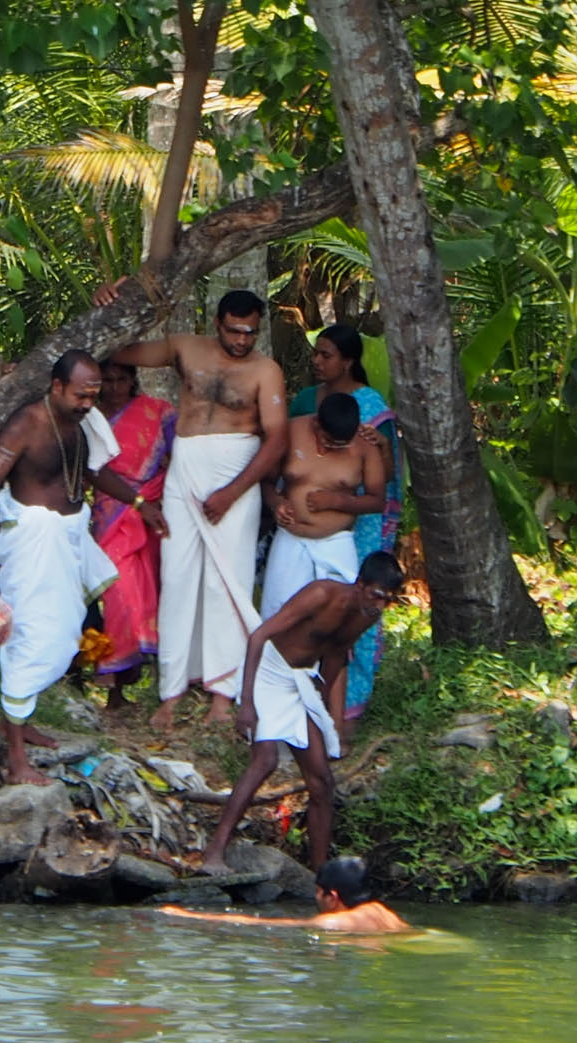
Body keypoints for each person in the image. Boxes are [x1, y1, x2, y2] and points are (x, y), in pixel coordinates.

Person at [0, 350, 168, 785]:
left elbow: (92, 474)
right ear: (57, 387)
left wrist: (139, 504)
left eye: (92, 395)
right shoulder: (27, 425)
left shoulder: (83, 424)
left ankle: (16, 721)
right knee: (31, 639)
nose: (87, 403)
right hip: (33, 546)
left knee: (63, 637)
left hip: (68, 542)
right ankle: (16, 758)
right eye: (80, 395)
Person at [94, 284, 289, 730]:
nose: (242, 340)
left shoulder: (265, 370)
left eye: (250, 333)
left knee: (227, 581)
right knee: (178, 577)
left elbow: (276, 437)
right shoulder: (185, 347)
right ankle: (172, 690)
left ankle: (223, 692)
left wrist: (234, 491)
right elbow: (119, 351)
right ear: (217, 323)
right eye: (235, 331)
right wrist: (109, 303)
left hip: (236, 472)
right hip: (186, 468)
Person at [202, 551, 406, 874]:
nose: (380, 605)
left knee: (322, 781)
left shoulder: (368, 614)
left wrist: (321, 704)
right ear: (360, 584)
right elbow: (259, 636)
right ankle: (214, 851)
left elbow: (337, 652)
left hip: (301, 681)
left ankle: (321, 875)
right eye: (377, 595)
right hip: (269, 669)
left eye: (388, 600)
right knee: (265, 761)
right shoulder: (321, 594)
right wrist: (248, 703)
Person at [289, 325, 403, 732]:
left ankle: (347, 707)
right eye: (316, 355)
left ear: (348, 361)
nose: (318, 362)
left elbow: (385, 476)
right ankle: (297, 696)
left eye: (327, 355)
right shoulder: (305, 401)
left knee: (353, 605)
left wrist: (380, 448)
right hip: (302, 528)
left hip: (360, 524)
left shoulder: (371, 406)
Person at [90, 361, 178, 708]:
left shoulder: (156, 413)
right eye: (107, 380)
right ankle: (114, 686)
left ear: (133, 380)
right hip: (113, 514)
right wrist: (137, 502)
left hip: (156, 513)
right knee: (120, 595)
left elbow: (178, 458)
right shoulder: (89, 419)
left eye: (121, 379)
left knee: (155, 592)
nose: (114, 387)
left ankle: (161, 683)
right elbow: (92, 471)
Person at [258, 391, 386, 622]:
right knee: (277, 616)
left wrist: (337, 501)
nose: (330, 449)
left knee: (335, 619)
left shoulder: (365, 445)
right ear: (316, 423)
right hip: (291, 538)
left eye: (341, 445)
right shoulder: (291, 431)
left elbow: (377, 500)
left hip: (335, 542)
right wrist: (277, 504)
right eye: (327, 440)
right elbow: (265, 482)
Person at [159, 856, 409, 933]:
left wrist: (191, 917)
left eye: (318, 892)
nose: (316, 897)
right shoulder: (382, 912)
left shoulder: (334, 921)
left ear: (333, 896)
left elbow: (269, 924)